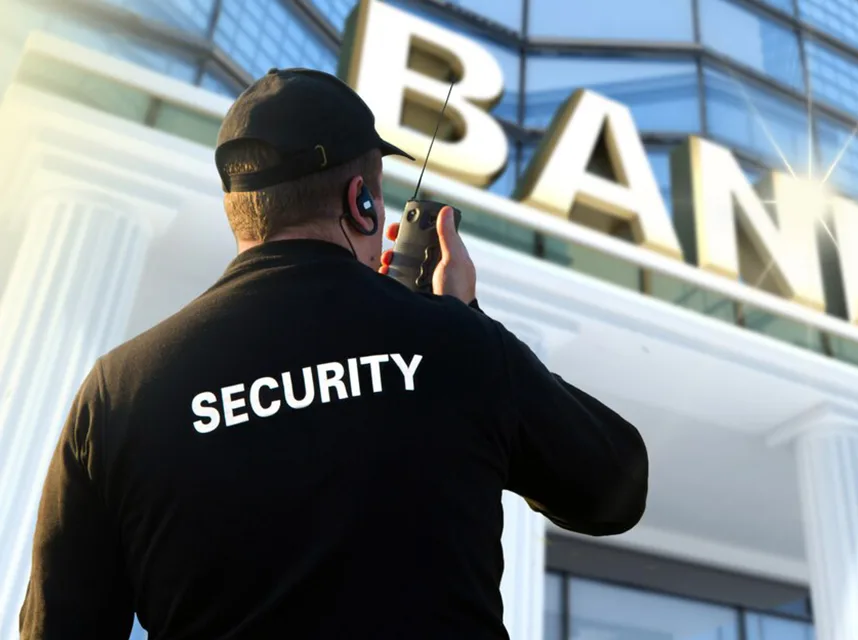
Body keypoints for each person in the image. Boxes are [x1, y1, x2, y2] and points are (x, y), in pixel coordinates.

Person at [19, 68, 649, 639]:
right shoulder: (459, 344)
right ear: (363, 202)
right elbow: (615, 487)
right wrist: (465, 320)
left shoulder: (119, 390)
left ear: (238, 212)